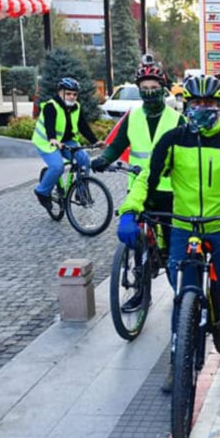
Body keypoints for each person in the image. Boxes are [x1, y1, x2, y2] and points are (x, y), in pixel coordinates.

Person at [116, 74, 220, 395]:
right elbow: (146, 177)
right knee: (181, 296)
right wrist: (129, 210)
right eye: (197, 103)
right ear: (186, 105)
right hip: (184, 226)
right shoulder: (172, 139)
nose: (203, 108)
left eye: (210, 103)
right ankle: (177, 362)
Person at [93, 63, 180, 308]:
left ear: (163, 89)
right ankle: (142, 293)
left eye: (154, 88)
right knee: (137, 243)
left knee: (173, 244)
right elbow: (116, 145)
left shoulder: (177, 119)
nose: (150, 92)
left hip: (169, 190)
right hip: (138, 190)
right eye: (145, 88)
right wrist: (104, 159)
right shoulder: (133, 117)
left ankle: (180, 294)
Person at [32, 77, 98, 207]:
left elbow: (83, 126)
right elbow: (49, 125)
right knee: (57, 167)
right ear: (60, 93)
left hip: (67, 141)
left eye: (74, 94)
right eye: (68, 94)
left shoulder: (76, 107)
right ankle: (41, 192)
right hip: (46, 142)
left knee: (84, 160)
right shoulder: (51, 106)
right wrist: (52, 138)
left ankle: (82, 193)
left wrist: (95, 141)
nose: (72, 97)